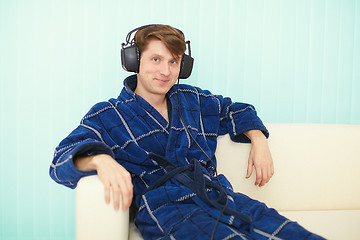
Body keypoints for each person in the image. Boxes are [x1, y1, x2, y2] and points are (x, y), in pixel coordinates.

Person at [50, 24, 325, 240]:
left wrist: (258, 138)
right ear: (135, 61)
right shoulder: (108, 114)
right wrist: (101, 160)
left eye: (174, 61)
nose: (165, 71)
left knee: (295, 233)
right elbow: (61, 158)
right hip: (166, 208)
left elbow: (235, 110)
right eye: (156, 59)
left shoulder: (193, 100)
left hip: (219, 196)